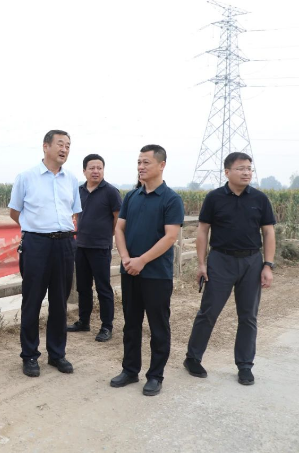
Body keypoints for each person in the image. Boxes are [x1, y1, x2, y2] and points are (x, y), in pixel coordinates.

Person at [184, 152, 276, 385]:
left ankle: (245, 365)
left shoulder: (260, 199)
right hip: (220, 261)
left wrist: (268, 265)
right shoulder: (214, 198)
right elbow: (203, 231)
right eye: (241, 168)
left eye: (249, 168)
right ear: (227, 172)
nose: (246, 172)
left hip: (251, 262)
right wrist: (202, 264)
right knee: (208, 311)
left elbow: (268, 232)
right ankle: (192, 358)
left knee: (248, 316)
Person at [110, 145, 184, 396]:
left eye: (146, 162)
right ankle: (130, 370)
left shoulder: (171, 199)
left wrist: (142, 260)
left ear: (161, 165)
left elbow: (170, 236)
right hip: (130, 270)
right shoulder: (132, 196)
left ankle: (155, 375)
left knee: (158, 326)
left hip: (156, 274)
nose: (141, 167)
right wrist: (125, 258)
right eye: (139, 162)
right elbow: (119, 228)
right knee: (131, 324)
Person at [8, 130, 82, 377]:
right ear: (45, 146)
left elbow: (74, 211)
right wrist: (35, 228)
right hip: (36, 245)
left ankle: (57, 354)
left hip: (64, 244)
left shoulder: (71, 179)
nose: (64, 149)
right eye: (60, 144)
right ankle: (29, 355)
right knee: (32, 301)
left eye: (68, 145)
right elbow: (15, 211)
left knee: (60, 301)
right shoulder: (26, 177)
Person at [67, 154, 122, 342]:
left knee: (103, 287)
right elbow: (75, 214)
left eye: (99, 168)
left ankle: (107, 326)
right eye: (92, 168)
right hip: (80, 246)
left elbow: (118, 218)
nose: (96, 171)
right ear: (84, 171)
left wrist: (108, 235)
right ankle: (84, 321)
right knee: (83, 287)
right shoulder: (78, 191)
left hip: (100, 247)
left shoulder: (111, 192)